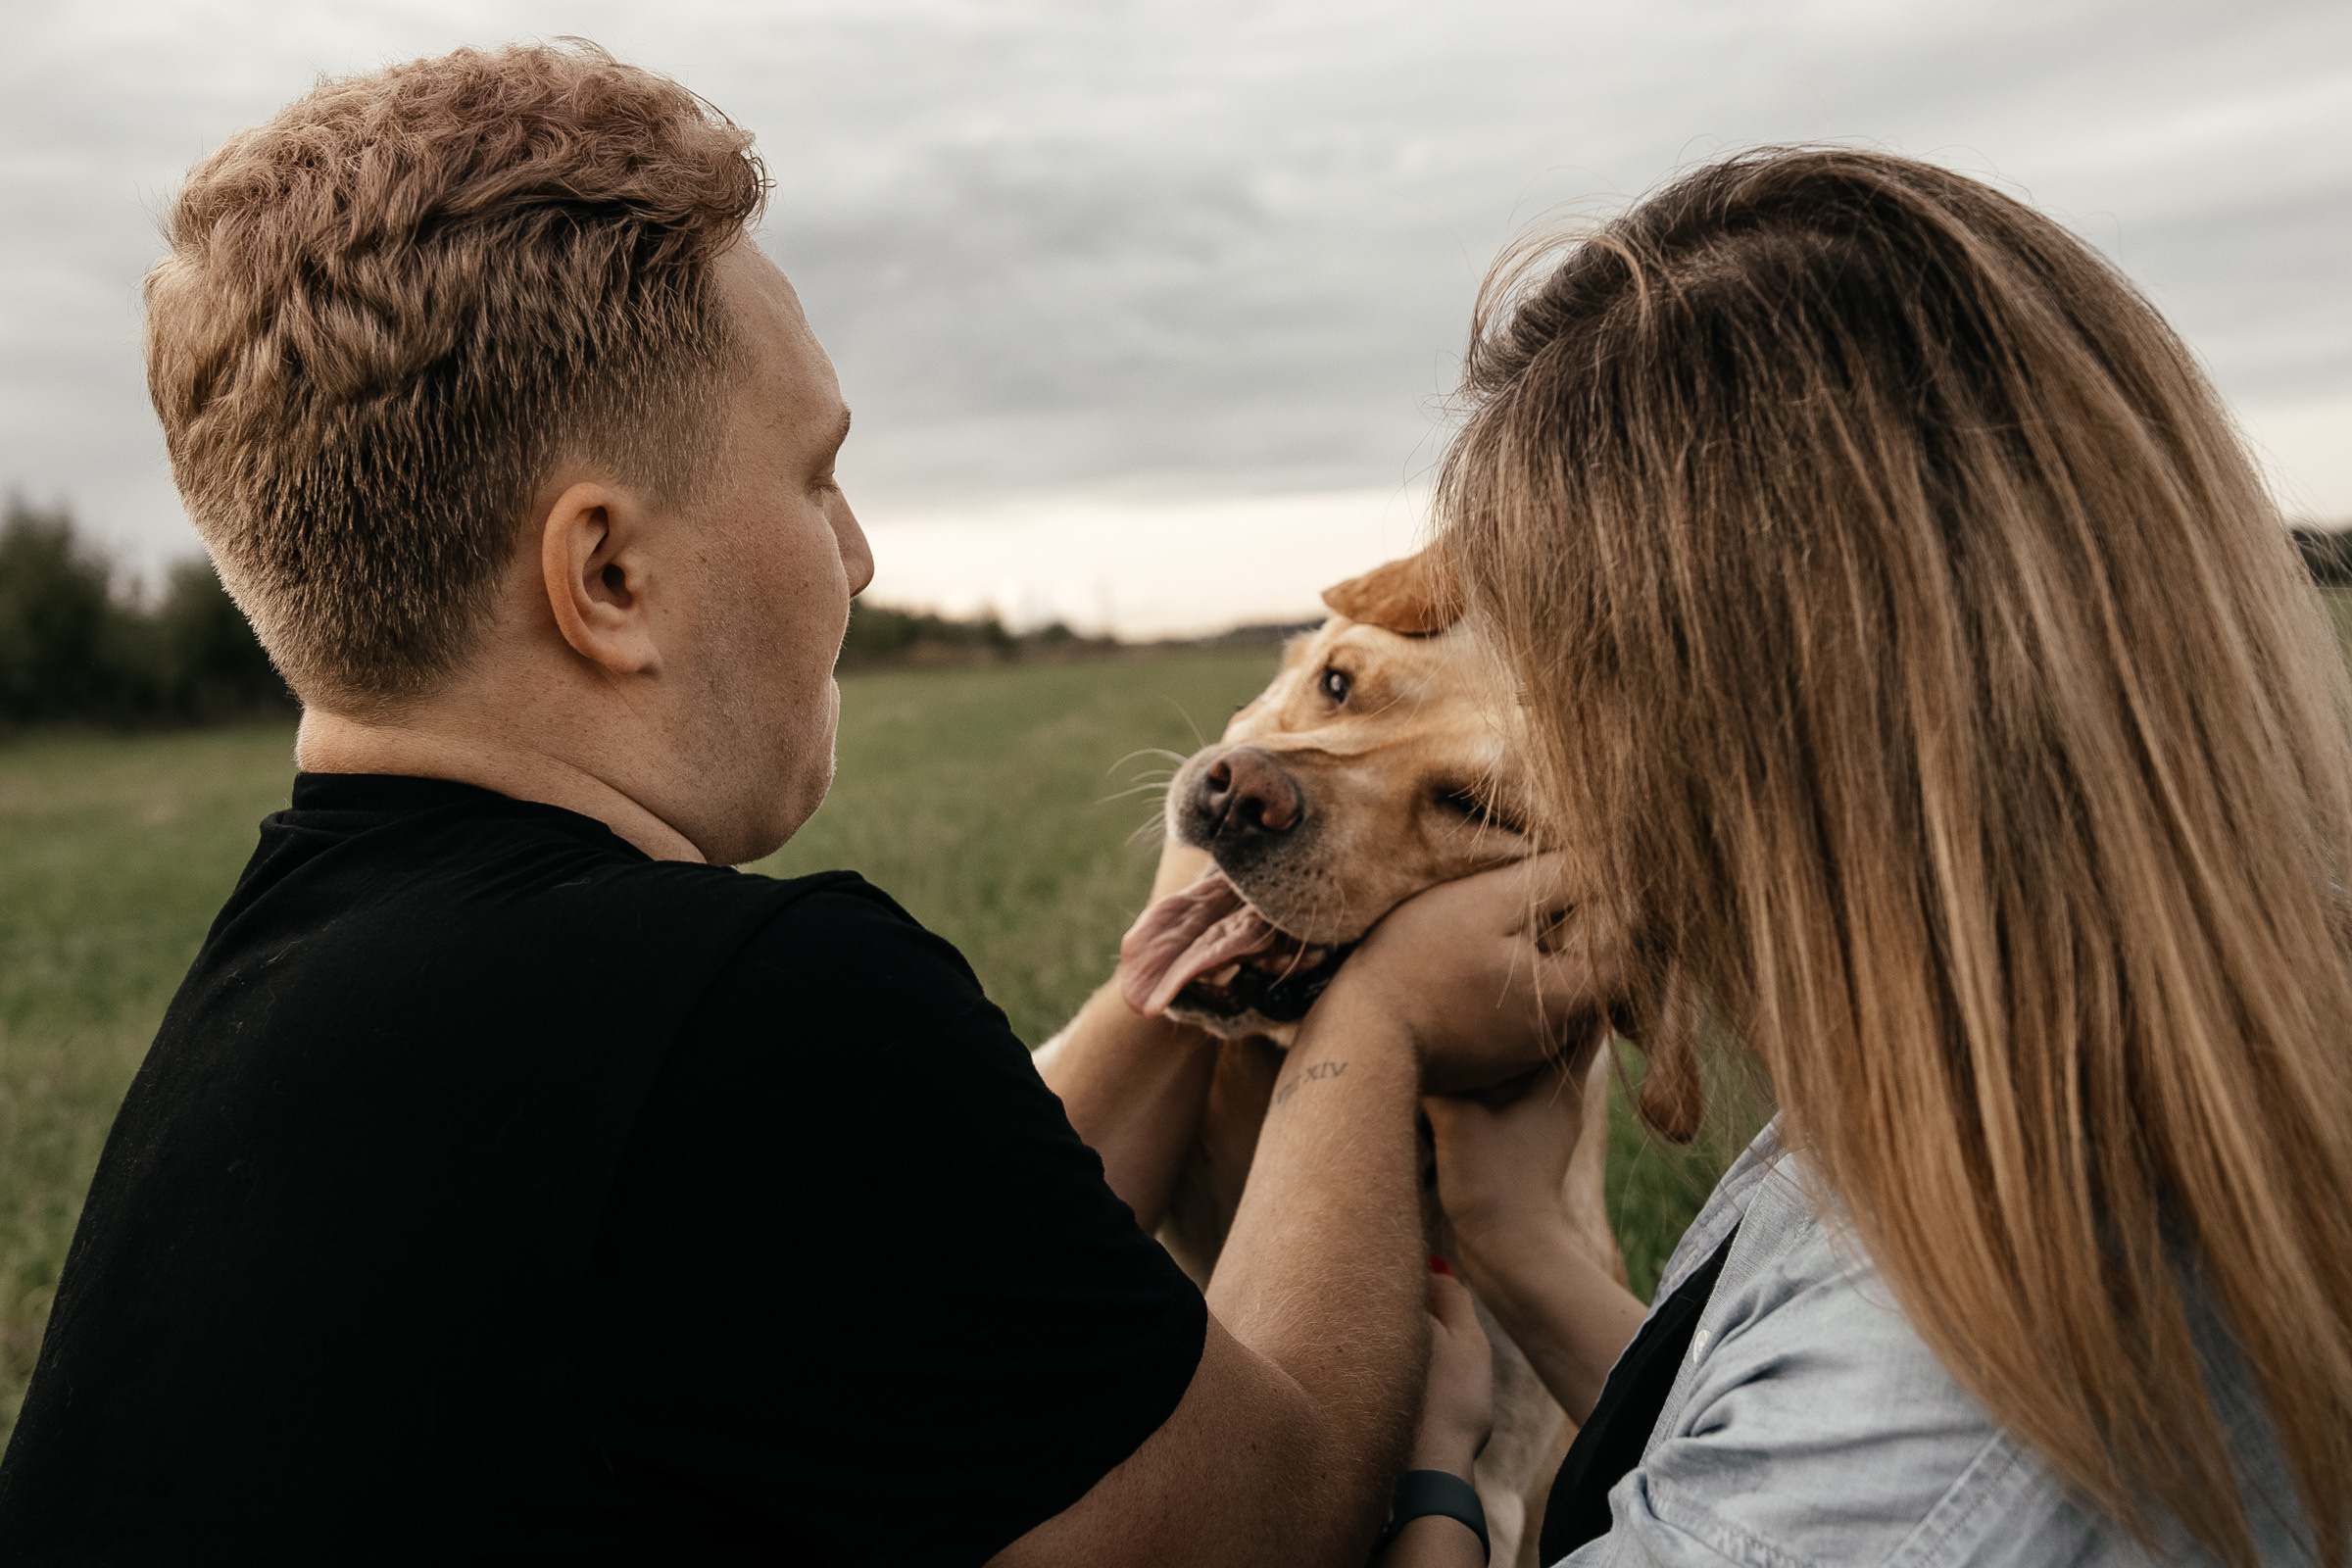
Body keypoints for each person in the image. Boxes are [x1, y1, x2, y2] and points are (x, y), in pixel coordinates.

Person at [0, 42, 1593, 1565]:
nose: (861, 554)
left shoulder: (272, 1004)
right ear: (609, 579)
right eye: (815, 474)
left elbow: (950, 1274)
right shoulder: (747, 1015)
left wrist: (1192, 956)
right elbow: (1262, 1527)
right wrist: (1375, 1018)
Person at [1387, 147, 2352, 1566]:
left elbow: (1850, 1494)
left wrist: (1430, 1482)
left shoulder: (1963, 1386)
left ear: (1732, 753)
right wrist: (1519, 1239)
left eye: (1566, 693)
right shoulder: (2062, 1057)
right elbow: (1744, 1477)